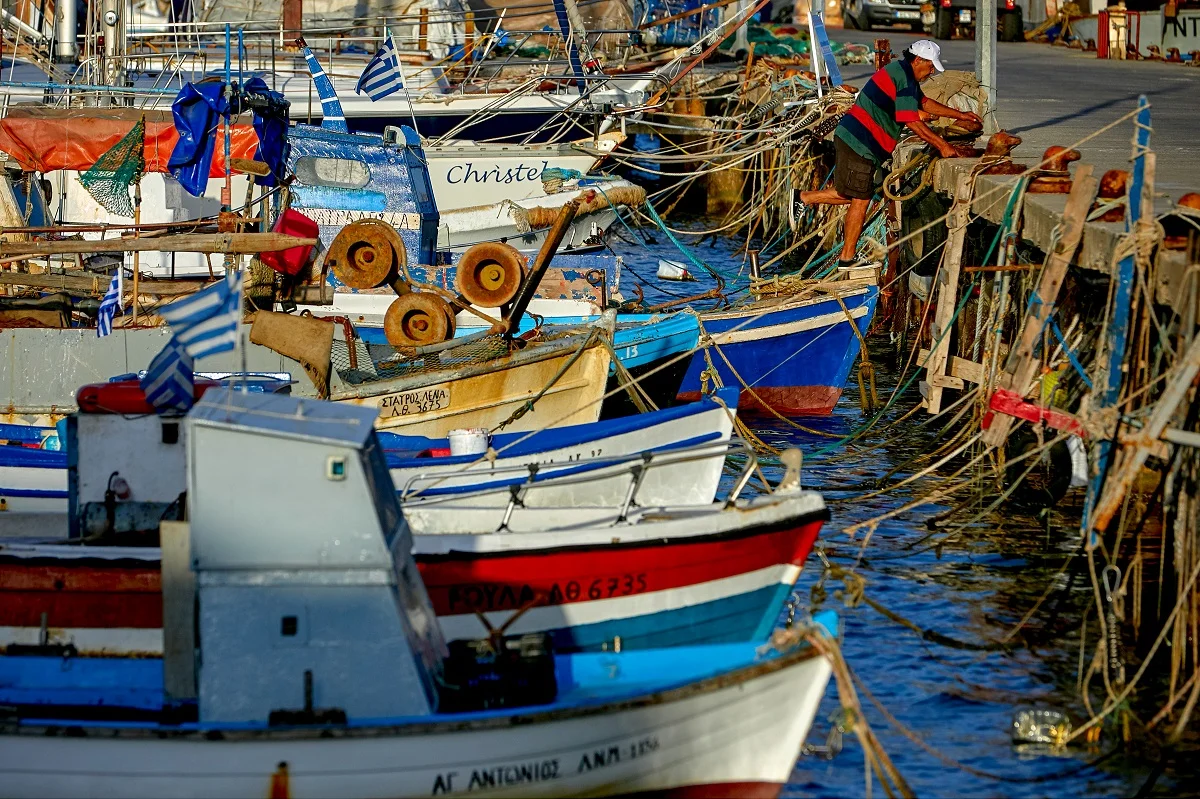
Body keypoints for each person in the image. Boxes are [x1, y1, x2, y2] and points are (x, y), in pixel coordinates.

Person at [797, 40, 983, 270]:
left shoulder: (901, 71)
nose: (932, 71)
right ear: (918, 60)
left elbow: (923, 102)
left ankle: (805, 198)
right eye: (930, 66)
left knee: (851, 193)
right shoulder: (903, 78)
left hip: (855, 138)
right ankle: (847, 259)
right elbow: (910, 120)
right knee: (861, 198)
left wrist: (960, 115)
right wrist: (941, 144)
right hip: (860, 142)